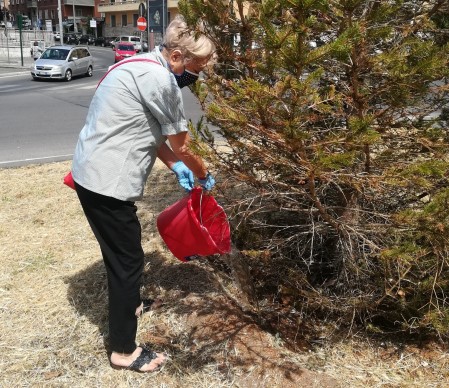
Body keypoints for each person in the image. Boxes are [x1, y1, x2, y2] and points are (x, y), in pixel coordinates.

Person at [71, 16, 216, 373]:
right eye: (197, 67)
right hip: (106, 182)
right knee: (128, 260)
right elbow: (182, 145)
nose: (197, 76)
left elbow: (144, 128)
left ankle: (130, 300)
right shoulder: (160, 80)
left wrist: (173, 165)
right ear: (179, 56)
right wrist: (201, 171)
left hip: (92, 171)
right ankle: (124, 350)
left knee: (120, 254)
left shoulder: (139, 64)